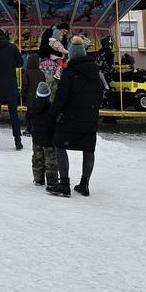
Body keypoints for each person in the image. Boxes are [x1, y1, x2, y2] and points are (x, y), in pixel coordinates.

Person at [47, 36, 103, 198]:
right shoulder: (96, 72)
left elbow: (61, 97)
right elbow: (100, 95)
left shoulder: (69, 72)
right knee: (88, 148)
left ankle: (64, 184)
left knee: (59, 144)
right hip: (89, 117)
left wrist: (52, 115)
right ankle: (84, 184)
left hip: (71, 117)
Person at [28, 82, 58, 188]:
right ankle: (52, 181)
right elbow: (53, 122)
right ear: (48, 95)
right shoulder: (50, 108)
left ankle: (38, 179)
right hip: (49, 139)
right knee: (51, 161)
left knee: (37, 159)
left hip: (36, 138)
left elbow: (29, 121)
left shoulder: (32, 106)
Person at [22, 52, 46, 135]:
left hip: (30, 96)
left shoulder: (27, 72)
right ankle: (36, 128)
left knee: (29, 113)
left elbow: (25, 85)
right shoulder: (41, 73)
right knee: (38, 113)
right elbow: (44, 84)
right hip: (38, 96)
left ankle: (29, 128)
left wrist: (23, 95)